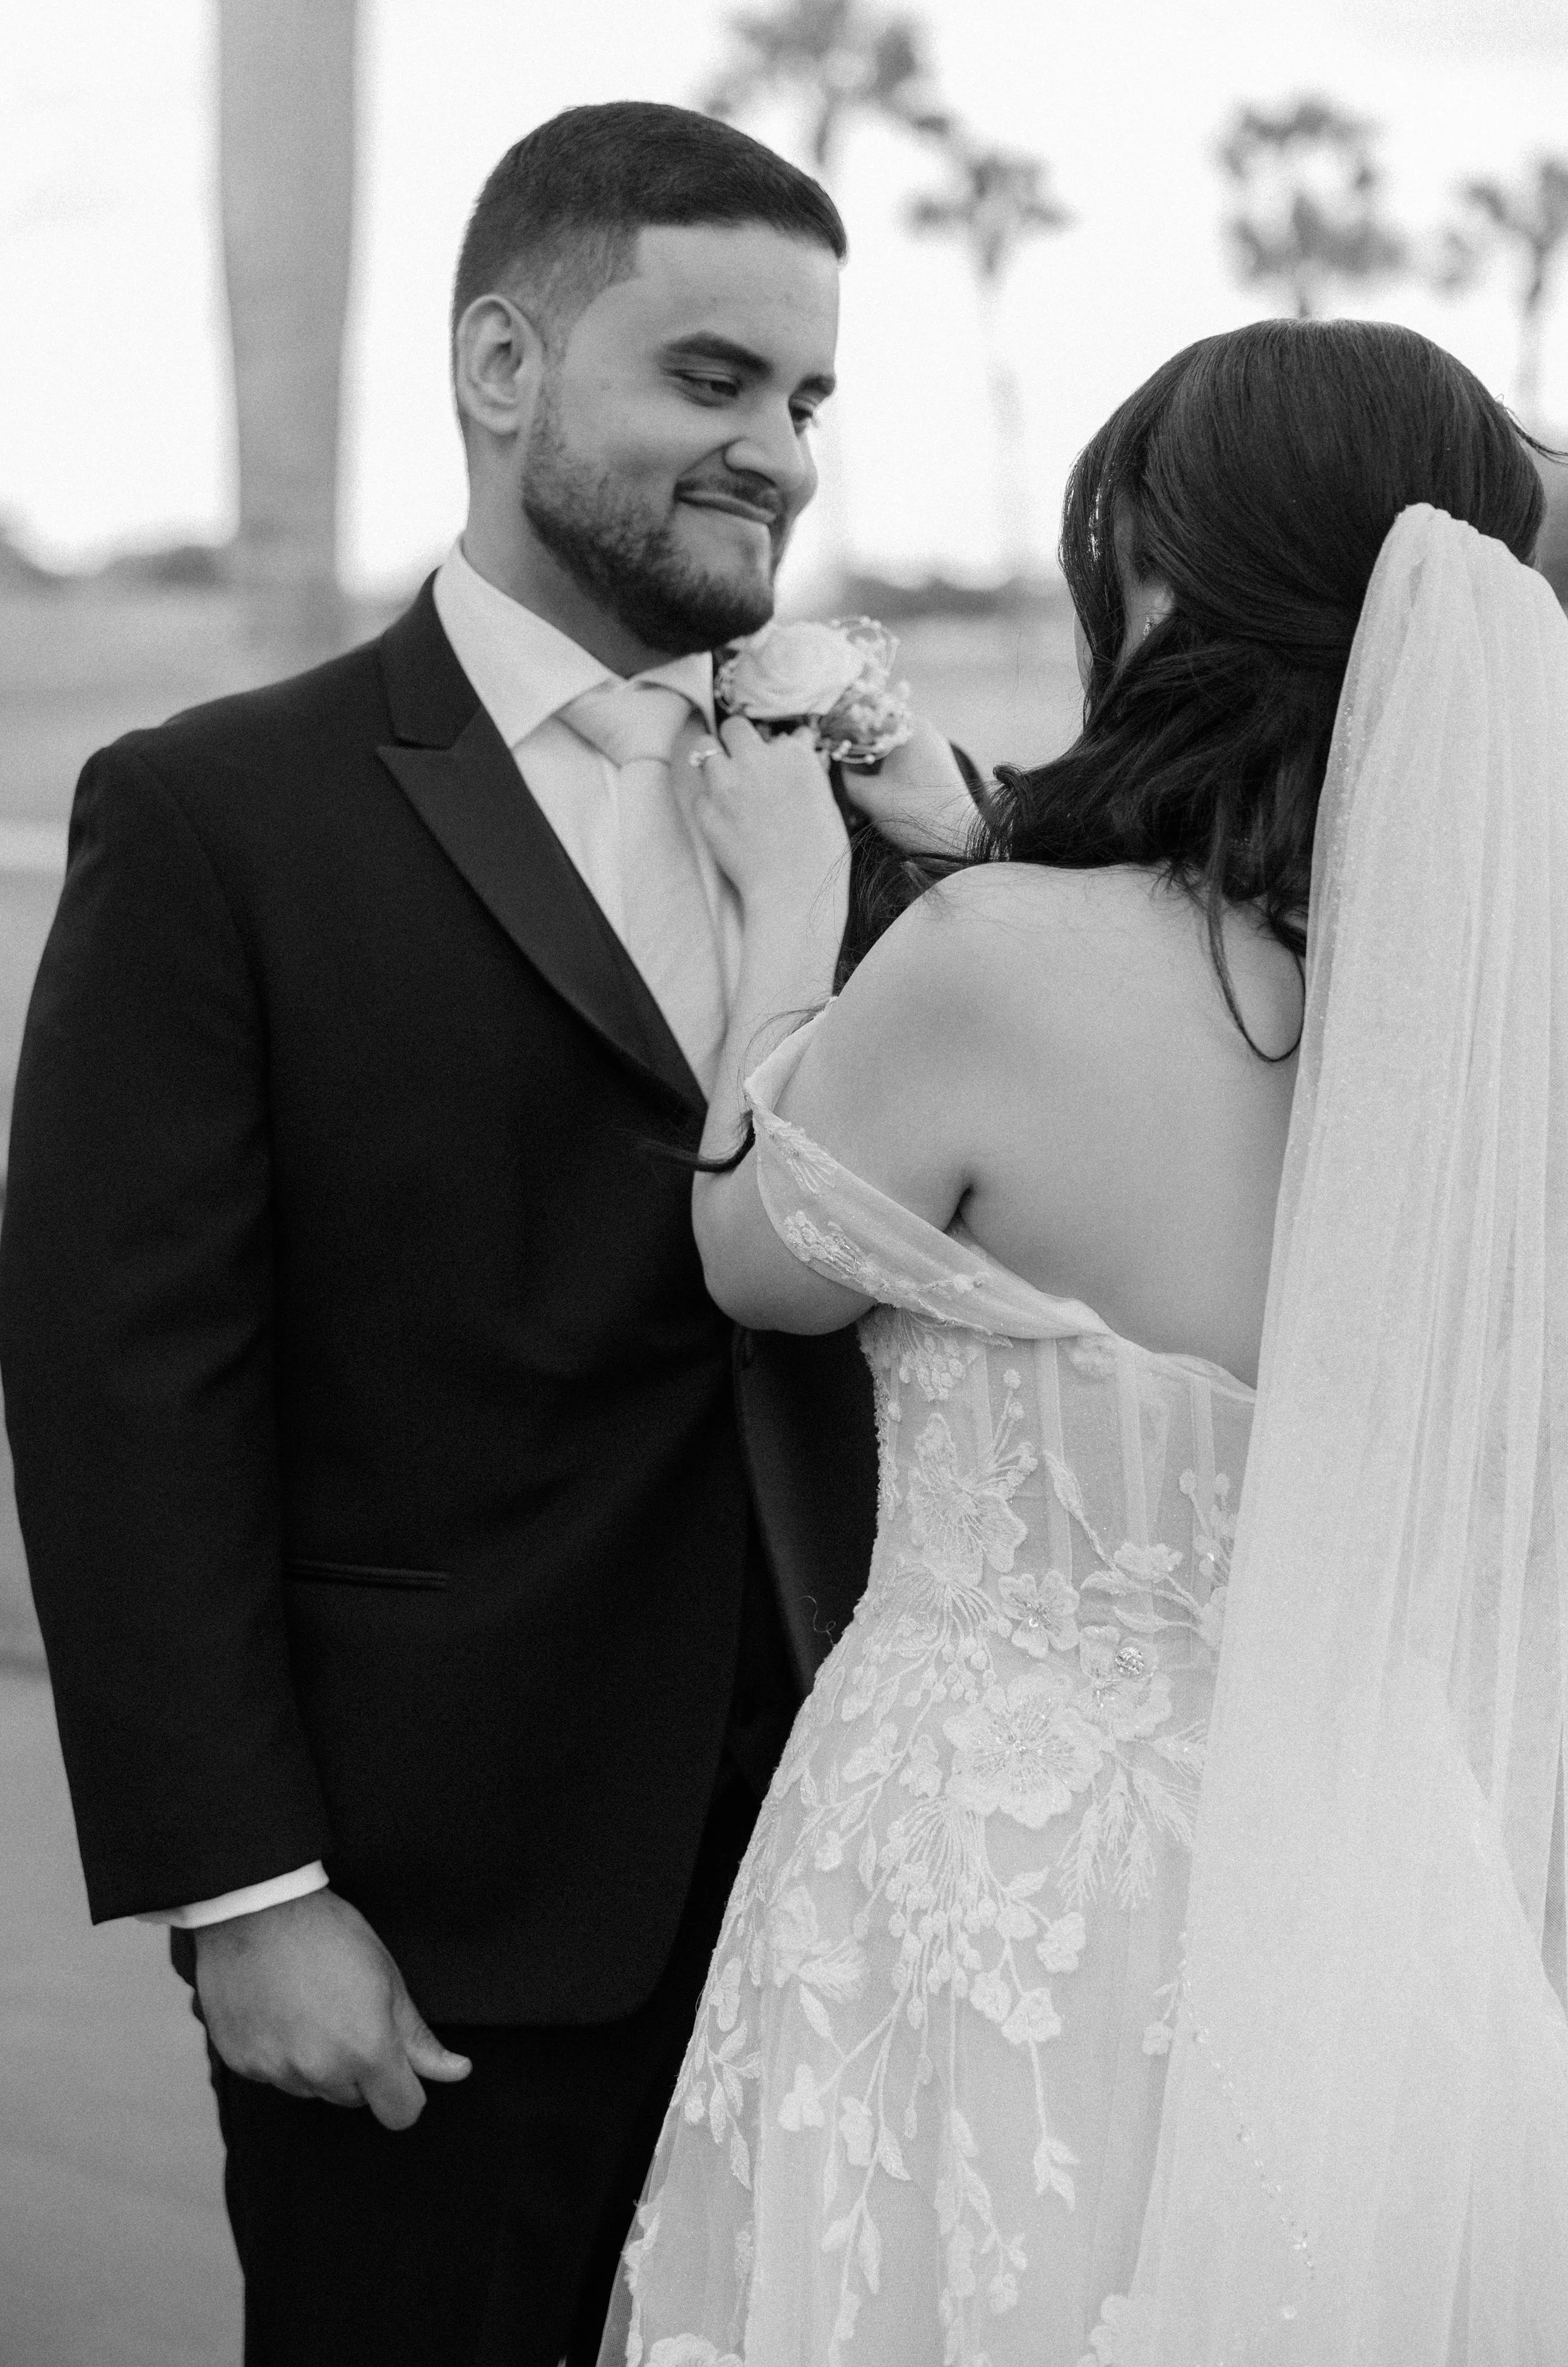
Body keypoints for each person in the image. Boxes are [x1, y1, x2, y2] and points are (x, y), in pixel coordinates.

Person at [0, 102, 967, 2367]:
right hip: (440, 1914)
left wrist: (940, 834)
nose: (778, 454)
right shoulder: (217, 813)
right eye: (710, 379)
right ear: (502, 367)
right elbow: (124, 1380)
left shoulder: (869, 810)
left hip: (851, 1886)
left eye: (806, 398)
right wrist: (247, 1889)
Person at [604, 319, 1568, 2363]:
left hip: (998, 1890)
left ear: (1151, 577)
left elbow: (758, 1254)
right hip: (1367, 1902)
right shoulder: (1497, 1035)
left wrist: (788, 905)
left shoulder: (992, 964)